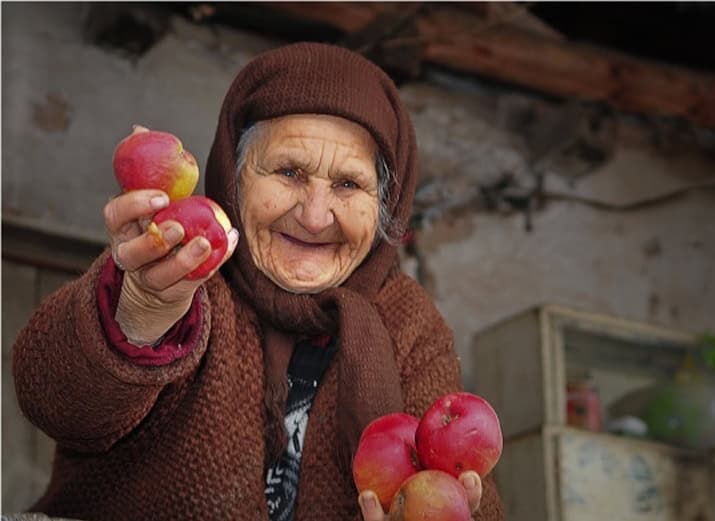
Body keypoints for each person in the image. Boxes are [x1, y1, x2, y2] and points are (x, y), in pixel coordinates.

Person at [12, 42, 504, 520]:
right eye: (288, 172)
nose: (314, 217)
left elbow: (468, 489)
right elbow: (55, 401)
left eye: (348, 184)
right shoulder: (183, 270)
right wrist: (140, 312)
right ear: (234, 176)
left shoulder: (408, 321)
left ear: (384, 205)